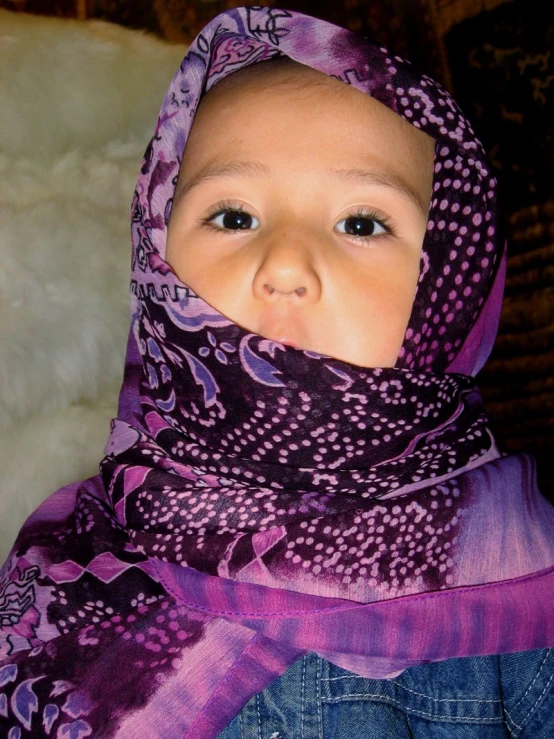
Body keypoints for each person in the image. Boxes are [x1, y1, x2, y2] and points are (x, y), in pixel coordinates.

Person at [0, 6, 552, 738]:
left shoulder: (526, 578)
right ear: (156, 257)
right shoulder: (61, 574)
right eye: (233, 216)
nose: (286, 263)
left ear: (454, 283)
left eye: (361, 222)